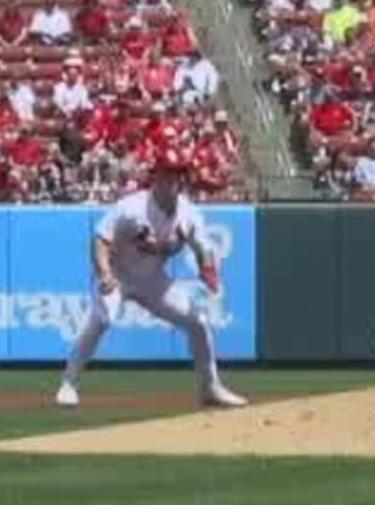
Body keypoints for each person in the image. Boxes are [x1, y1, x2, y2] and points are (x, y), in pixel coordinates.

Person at [52, 151, 246, 412]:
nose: (172, 179)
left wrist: (208, 269)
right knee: (102, 319)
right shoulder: (132, 207)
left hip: (153, 280)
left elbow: (203, 246)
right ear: (155, 177)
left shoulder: (188, 212)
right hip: (118, 274)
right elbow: (100, 239)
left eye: (177, 174)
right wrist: (105, 273)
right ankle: (68, 384)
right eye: (166, 173)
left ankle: (210, 387)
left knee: (198, 322)